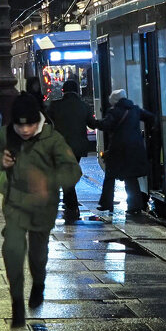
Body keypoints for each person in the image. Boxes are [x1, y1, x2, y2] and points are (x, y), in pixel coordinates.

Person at [0, 91, 83, 329]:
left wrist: (48, 181)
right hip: (15, 205)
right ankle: (17, 303)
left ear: (37, 120)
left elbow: (73, 171)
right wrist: (1, 160)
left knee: (38, 256)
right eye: (20, 126)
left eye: (29, 125)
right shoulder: (7, 134)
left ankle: (39, 283)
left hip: (43, 207)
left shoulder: (53, 139)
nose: (25, 131)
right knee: (12, 250)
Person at [46, 78, 99, 223]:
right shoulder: (83, 106)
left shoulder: (55, 106)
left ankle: (72, 205)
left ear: (63, 90)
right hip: (78, 147)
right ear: (77, 90)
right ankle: (71, 204)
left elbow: (45, 119)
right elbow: (92, 124)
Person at [97, 89, 155, 215]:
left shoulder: (114, 111)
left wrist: (94, 123)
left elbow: (105, 125)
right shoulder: (135, 109)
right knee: (131, 177)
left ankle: (106, 203)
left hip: (118, 149)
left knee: (110, 176)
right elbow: (151, 118)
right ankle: (135, 206)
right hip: (134, 149)